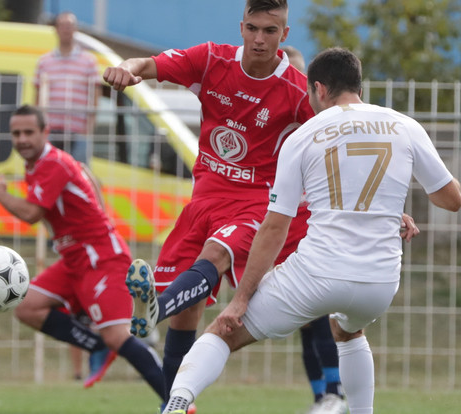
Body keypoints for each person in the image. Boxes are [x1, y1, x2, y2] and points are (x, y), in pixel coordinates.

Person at [104, 1, 417, 410]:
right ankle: (176, 403)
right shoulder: (211, 60)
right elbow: (147, 65)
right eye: (252, 28)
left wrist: (386, 207)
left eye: (270, 31)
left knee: (215, 256)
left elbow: (342, 145)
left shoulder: (296, 89)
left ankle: (153, 311)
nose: (259, 39)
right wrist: (125, 68)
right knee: (186, 317)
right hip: (205, 197)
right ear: (241, 27)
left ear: (284, 35)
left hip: (256, 204)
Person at [160, 47, 461, 414]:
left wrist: (241, 299)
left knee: (223, 333)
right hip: (379, 282)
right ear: (359, 85)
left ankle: (177, 402)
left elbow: (274, 227)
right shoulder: (403, 125)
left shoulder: (302, 137)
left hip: (316, 275)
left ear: (319, 89)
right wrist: (391, 205)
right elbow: (452, 200)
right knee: (348, 331)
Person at [0, 105, 165, 401]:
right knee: (27, 307)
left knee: (118, 336)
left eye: (29, 132)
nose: (22, 139)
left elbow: (31, 213)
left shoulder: (53, 163)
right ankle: (96, 343)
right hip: (74, 260)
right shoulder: (44, 164)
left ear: (45, 132)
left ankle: (178, 399)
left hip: (100, 257)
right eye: (16, 133)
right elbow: (88, 180)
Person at [283, 44, 346, 414]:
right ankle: (322, 395)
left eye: (301, 76)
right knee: (305, 320)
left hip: (319, 226)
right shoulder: (281, 125)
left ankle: (335, 392)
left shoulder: (328, 125)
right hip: (285, 225)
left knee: (323, 310)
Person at [34, 11, 101, 166]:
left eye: (69, 26)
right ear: (56, 29)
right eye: (62, 26)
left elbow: (95, 95)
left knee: (79, 172)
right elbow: (37, 96)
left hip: (78, 130)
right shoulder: (44, 62)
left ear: (75, 30)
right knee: (50, 171)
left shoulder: (89, 61)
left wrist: (89, 127)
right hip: (50, 129)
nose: (66, 30)